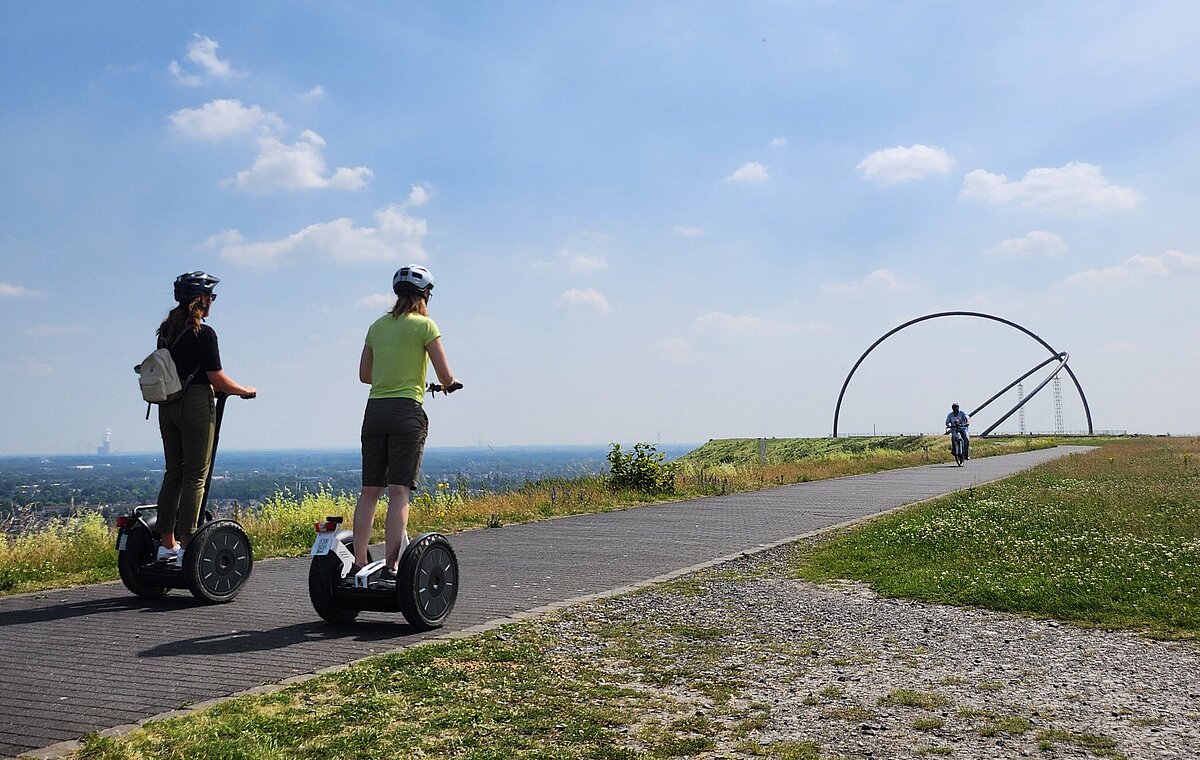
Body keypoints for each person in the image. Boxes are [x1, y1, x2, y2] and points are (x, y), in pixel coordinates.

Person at [353, 265, 459, 586]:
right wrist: (448, 384)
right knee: (399, 491)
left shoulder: (376, 326)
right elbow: (445, 376)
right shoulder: (426, 326)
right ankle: (392, 565)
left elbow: (365, 375)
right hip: (406, 412)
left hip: (375, 410)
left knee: (370, 490)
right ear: (425, 295)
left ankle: (359, 563)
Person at [154, 271, 256, 564]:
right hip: (197, 403)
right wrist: (243, 390)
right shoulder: (204, 333)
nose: (213, 301)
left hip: (167, 404)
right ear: (200, 299)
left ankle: (166, 544)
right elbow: (216, 378)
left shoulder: (166, 331)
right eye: (211, 296)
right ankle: (188, 544)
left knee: (173, 471)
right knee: (196, 474)